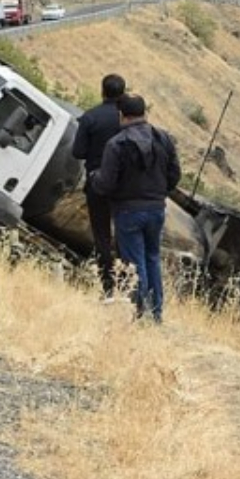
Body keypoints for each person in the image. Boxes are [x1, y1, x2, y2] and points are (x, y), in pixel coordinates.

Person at [92, 94, 181, 323]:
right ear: (144, 113)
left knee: (135, 262)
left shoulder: (116, 144)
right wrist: (160, 191)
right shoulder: (164, 139)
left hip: (128, 210)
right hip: (157, 208)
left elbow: (107, 183)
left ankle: (140, 312)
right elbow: (174, 175)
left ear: (122, 116)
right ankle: (156, 312)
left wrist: (95, 179)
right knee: (152, 258)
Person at [72, 74, 125, 298]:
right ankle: (127, 281)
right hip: (124, 186)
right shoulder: (128, 120)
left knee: (102, 235)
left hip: (97, 182)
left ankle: (107, 285)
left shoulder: (91, 117)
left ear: (102, 91)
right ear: (123, 93)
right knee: (124, 233)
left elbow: (78, 152)